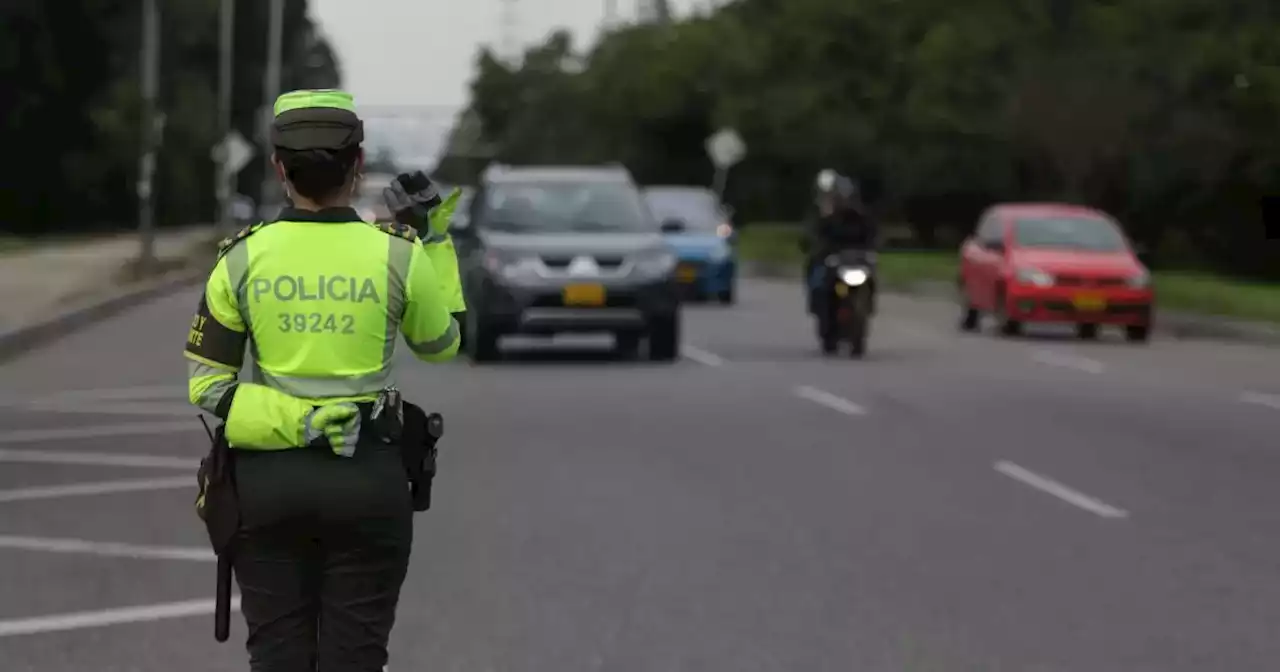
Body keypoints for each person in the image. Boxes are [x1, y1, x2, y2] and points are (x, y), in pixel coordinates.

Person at [182, 88, 462, 671]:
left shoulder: (240, 259)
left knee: (277, 657)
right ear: (358, 167)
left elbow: (208, 386)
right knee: (356, 659)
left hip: (266, 489)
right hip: (369, 482)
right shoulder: (398, 256)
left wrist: (299, 422)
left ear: (278, 168)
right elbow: (442, 345)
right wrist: (432, 239)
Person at [800, 169, 878, 312]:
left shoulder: (858, 214)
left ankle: (868, 301)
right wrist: (814, 245)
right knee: (816, 271)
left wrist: (872, 246)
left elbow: (871, 231)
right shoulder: (821, 216)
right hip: (832, 256)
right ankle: (819, 303)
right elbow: (812, 234)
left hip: (856, 256)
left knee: (871, 270)